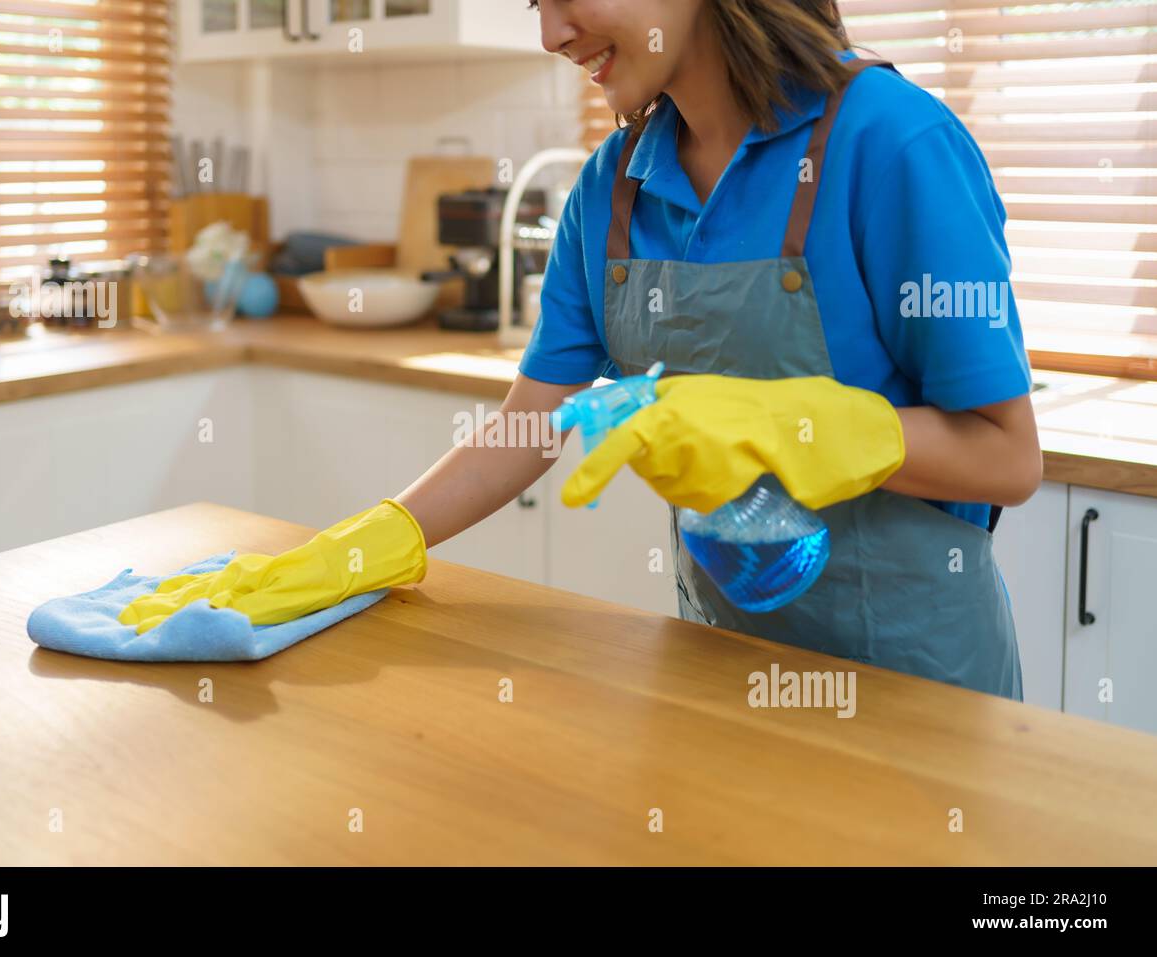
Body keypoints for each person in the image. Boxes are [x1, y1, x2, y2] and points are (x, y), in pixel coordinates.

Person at [121, 0, 1041, 700]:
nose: (552, 31)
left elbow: (1008, 454)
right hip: (715, 673)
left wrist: (816, 426)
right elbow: (530, 425)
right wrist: (364, 545)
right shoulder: (615, 188)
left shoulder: (893, 142)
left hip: (917, 687)